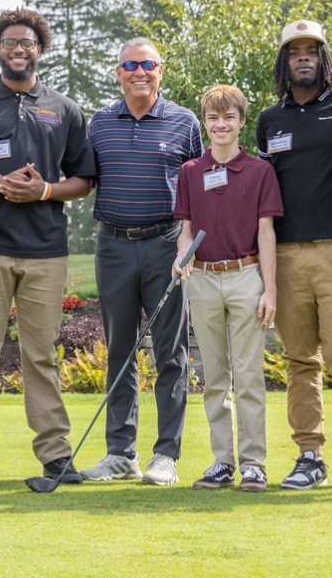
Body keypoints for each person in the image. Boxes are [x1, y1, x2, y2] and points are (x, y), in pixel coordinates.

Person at [0, 8, 95, 486]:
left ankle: (55, 455)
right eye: (9, 42)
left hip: (46, 249)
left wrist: (44, 190)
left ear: (39, 48)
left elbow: (84, 180)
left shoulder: (65, 109)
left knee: (41, 355)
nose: (18, 49)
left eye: (26, 42)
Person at [255, 20, 332, 490]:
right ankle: (309, 455)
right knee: (300, 359)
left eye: (311, 50)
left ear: (323, 58)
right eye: (294, 51)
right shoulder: (269, 120)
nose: (303, 57)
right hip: (284, 253)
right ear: (284, 62)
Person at [82, 37, 202, 486]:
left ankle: (165, 456)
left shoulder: (185, 123)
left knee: (171, 352)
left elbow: (196, 191)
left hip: (165, 244)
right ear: (118, 72)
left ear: (160, 70)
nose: (139, 71)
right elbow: (84, 178)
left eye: (147, 64)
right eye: (130, 64)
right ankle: (120, 454)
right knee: (120, 350)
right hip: (112, 245)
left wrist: (188, 248)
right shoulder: (99, 124)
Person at [172, 85, 283, 493]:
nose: (221, 125)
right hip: (201, 278)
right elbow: (185, 232)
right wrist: (181, 256)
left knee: (249, 375)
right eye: (214, 118)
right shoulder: (189, 172)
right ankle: (223, 461)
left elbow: (266, 233)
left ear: (241, 122)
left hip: (245, 276)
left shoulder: (259, 172)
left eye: (229, 117)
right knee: (214, 377)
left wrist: (269, 289)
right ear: (206, 123)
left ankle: (253, 463)